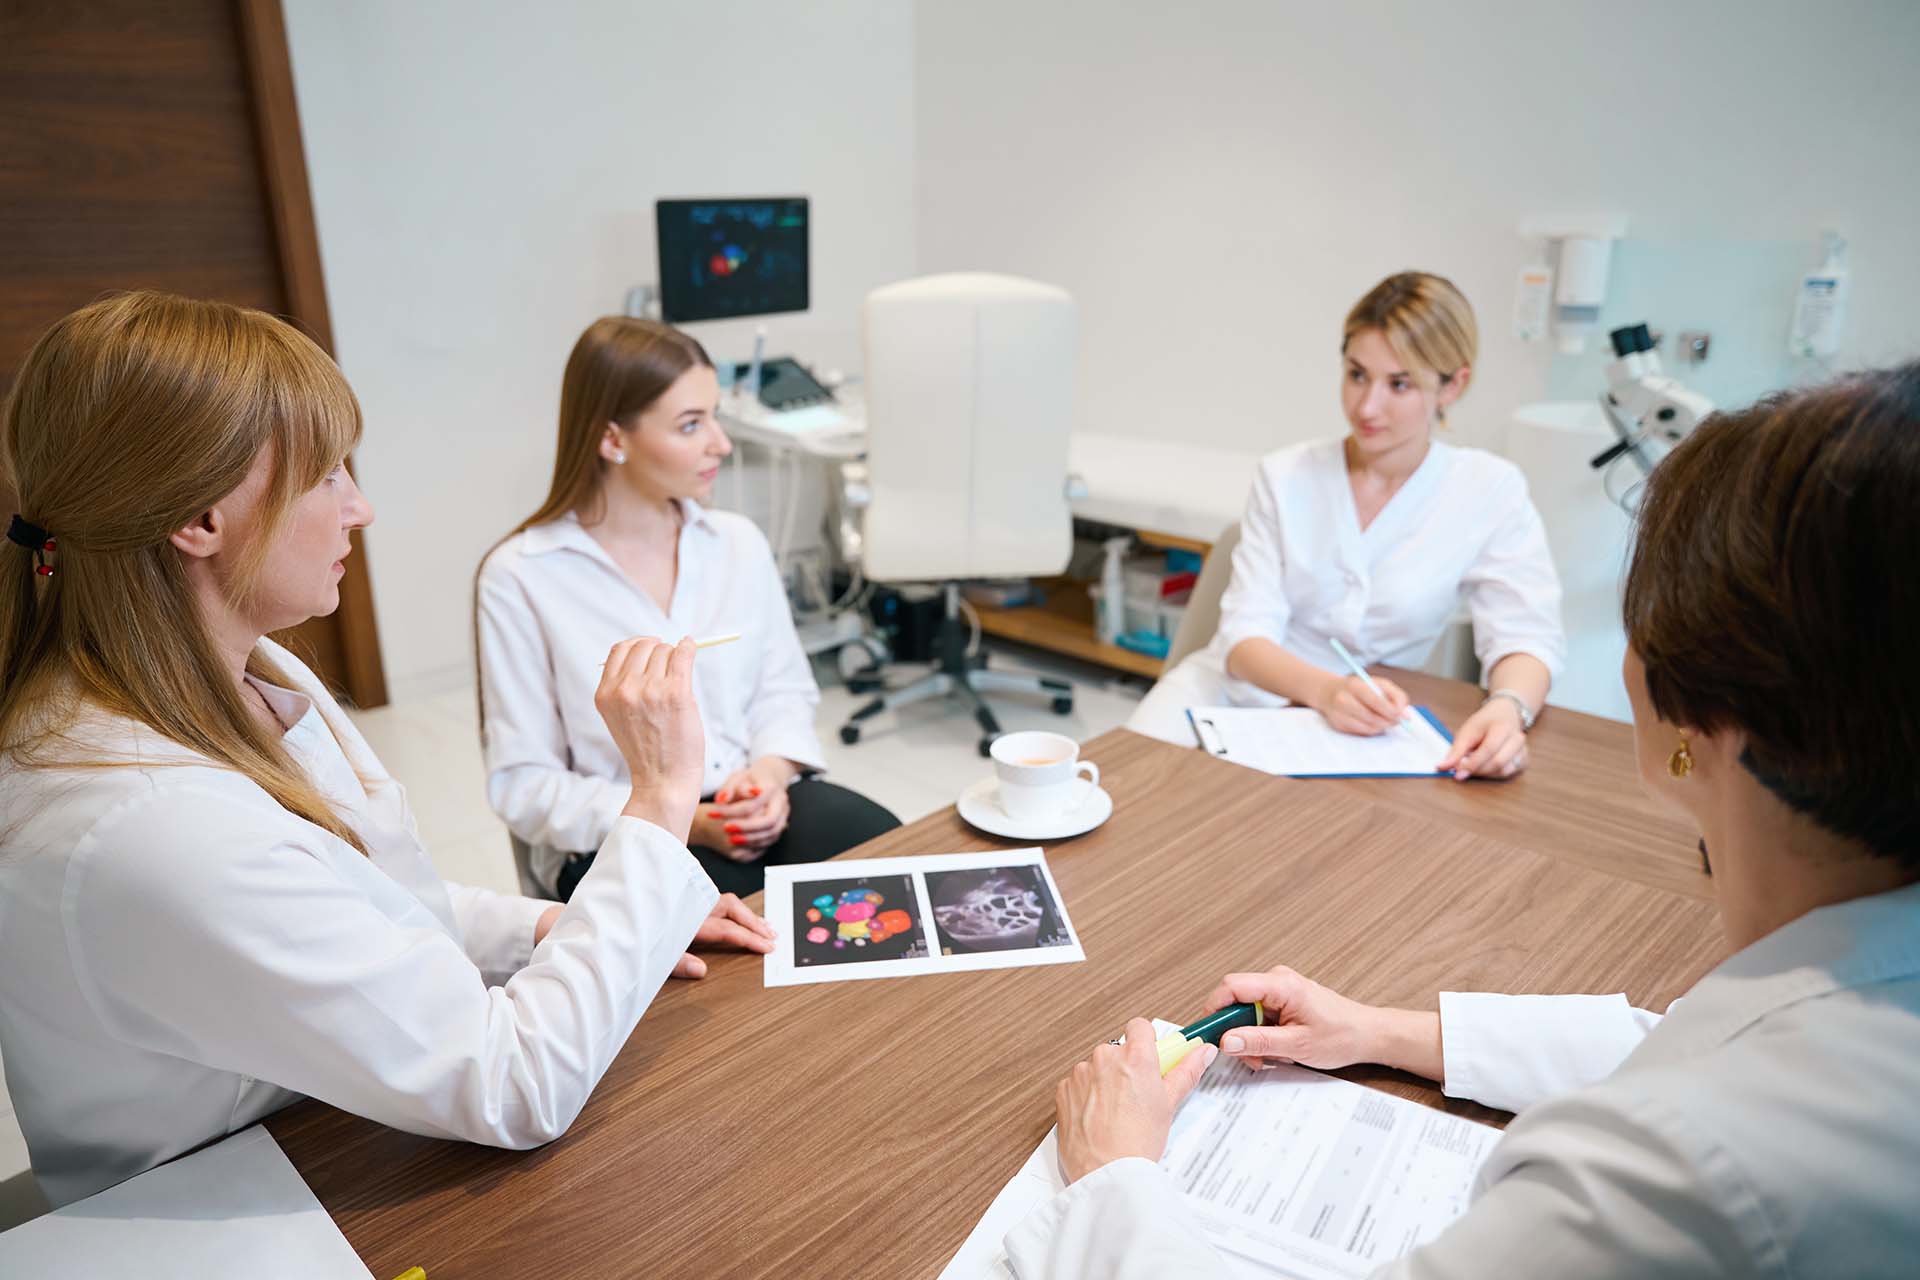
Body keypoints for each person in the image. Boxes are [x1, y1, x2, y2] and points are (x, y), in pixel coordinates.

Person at [1019, 362, 1920, 1276]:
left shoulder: (1670, 1172)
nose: (1371, 402)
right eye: (1356, 373)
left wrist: (1114, 1178)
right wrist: (1374, 1031)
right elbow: (1675, 1039)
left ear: (1694, 708)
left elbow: (1693, 1086)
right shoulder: (1858, 997)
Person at [0, 292, 772, 1209]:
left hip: (325, 1117)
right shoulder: (147, 824)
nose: (359, 508)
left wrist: (552, 925)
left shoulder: (247, 671)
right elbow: (513, 1087)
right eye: (326, 474)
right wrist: (661, 793)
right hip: (233, 1208)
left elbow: (369, 902)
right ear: (199, 519)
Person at [476, 315, 897, 901]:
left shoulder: (736, 543)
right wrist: (689, 820)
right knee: (752, 953)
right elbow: (525, 787)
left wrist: (770, 777)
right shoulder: (522, 577)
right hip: (623, 836)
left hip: (749, 800)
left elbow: (783, 691)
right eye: (690, 425)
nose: (721, 444)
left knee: (894, 865)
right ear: (612, 439)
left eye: (715, 416)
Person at [1127, 272, 1564, 780]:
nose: (1366, 406)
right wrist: (1326, 692)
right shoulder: (1286, 475)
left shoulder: (1488, 491)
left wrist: (1507, 709)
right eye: (1357, 374)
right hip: (1226, 700)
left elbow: (1527, 638)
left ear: (1453, 385)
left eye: (1398, 384)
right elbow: (1243, 641)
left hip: (1360, 734)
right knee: (1126, 795)